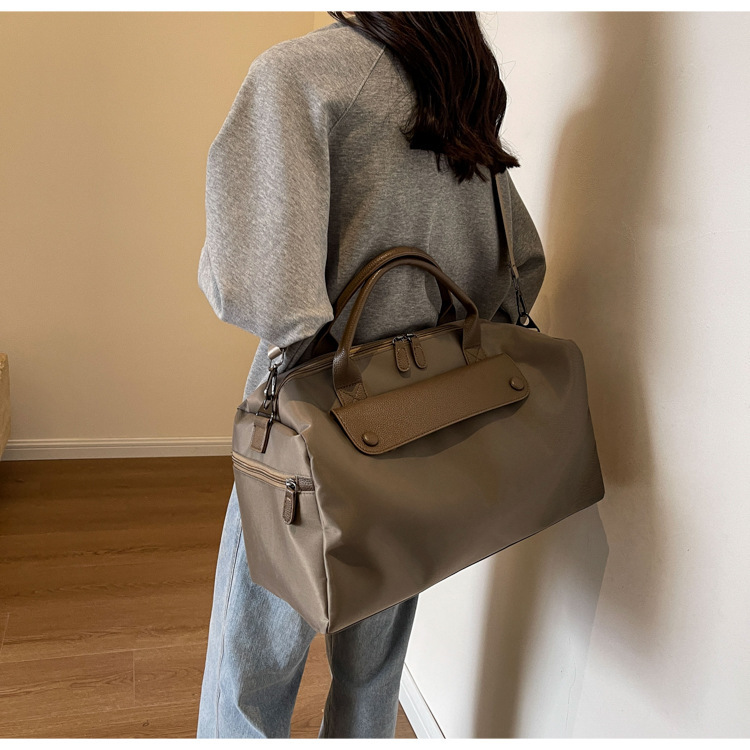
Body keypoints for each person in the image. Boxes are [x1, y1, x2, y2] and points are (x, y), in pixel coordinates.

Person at [196, 11, 546, 739]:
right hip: (428, 418)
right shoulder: (463, 78)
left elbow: (260, 288)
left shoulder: (300, 75)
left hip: (310, 419)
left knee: (250, 669)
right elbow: (517, 268)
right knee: (375, 665)